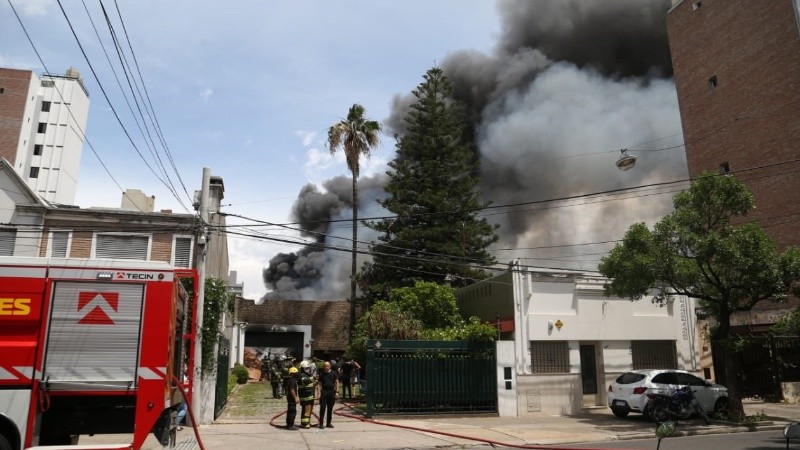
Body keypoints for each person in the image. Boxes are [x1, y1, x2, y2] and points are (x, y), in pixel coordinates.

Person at [317, 360, 339, 429]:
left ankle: (328, 423)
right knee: (322, 408)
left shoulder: (334, 373)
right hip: (324, 392)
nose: (327, 367)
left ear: (330, 366)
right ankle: (321, 424)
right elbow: (319, 384)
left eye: (328, 366)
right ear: (323, 367)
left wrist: (337, 392)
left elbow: (337, 382)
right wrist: (319, 393)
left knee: (330, 408)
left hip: (331, 392)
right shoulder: (321, 374)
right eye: (325, 366)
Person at [297, 360, 317, 429]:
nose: (308, 369)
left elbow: (310, 384)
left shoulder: (308, 375)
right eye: (306, 368)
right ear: (302, 368)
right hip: (305, 396)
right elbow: (305, 381)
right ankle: (305, 424)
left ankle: (307, 422)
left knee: (309, 410)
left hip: (310, 396)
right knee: (306, 410)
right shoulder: (301, 375)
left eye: (308, 368)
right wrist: (313, 378)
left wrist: (315, 382)